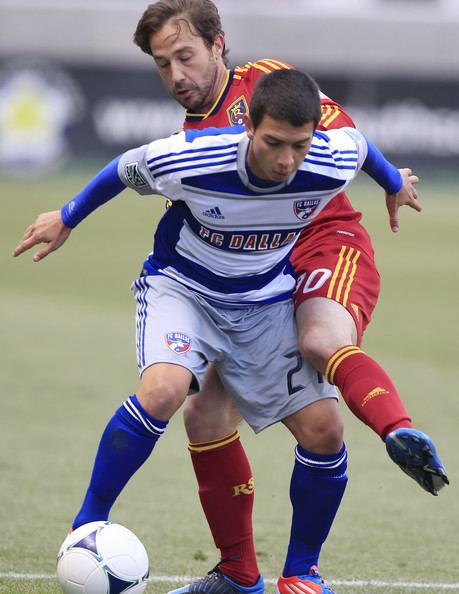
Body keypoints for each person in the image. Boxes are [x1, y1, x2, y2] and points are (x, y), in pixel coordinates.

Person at [12, 69, 444, 594]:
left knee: (324, 430)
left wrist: (395, 183)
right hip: (184, 290)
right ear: (249, 129)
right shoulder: (191, 156)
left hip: (260, 302)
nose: (287, 160)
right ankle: (85, 524)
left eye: (300, 145)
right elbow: (123, 169)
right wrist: (68, 215)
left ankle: (297, 575)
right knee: (166, 391)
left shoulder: (332, 156)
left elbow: (362, 147)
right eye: (273, 143)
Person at [130, 3, 448, 594]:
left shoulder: (267, 81)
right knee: (203, 413)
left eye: (185, 56)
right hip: (258, 264)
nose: (176, 74)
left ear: (218, 46)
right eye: (162, 63)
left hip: (328, 240)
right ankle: (237, 575)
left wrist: (393, 182)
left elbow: (350, 139)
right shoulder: (191, 139)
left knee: (321, 341)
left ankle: (312, 557)